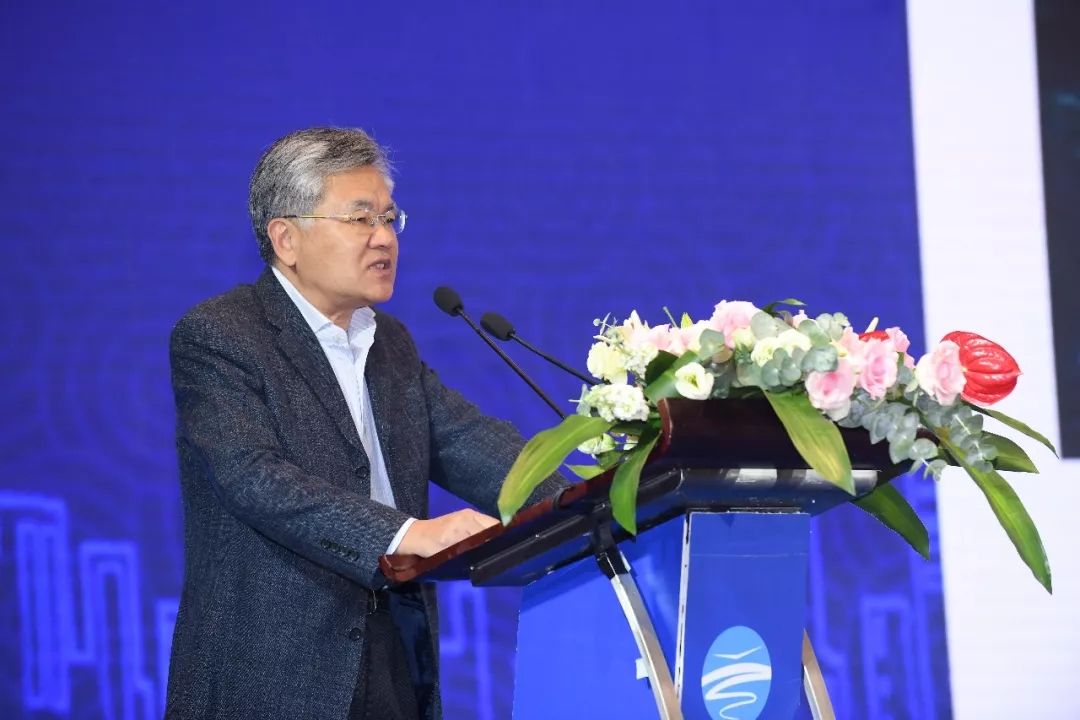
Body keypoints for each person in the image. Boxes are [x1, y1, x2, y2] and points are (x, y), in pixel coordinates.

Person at [163, 126, 567, 720]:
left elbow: (469, 442)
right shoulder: (221, 335)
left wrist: (592, 499)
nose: (385, 237)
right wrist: (404, 534)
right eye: (360, 219)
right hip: (273, 673)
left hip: (394, 659)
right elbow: (254, 477)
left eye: (389, 218)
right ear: (286, 238)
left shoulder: (389, 342)